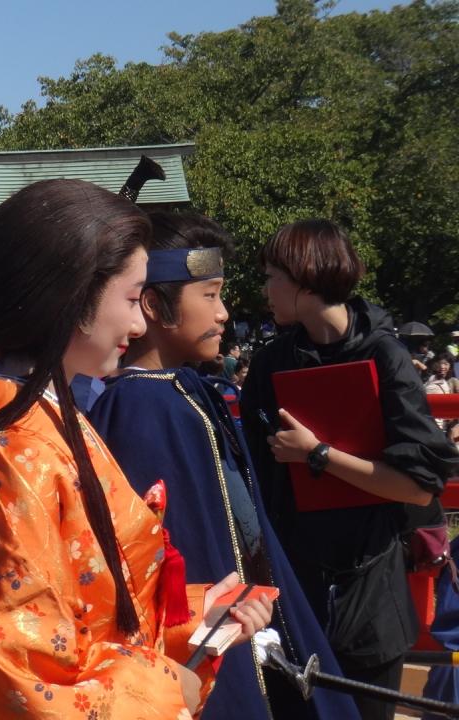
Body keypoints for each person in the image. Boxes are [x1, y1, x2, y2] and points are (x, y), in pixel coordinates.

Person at [0, 179, 273, 719]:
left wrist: (193, 618)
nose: (139, 322)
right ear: (70, 297)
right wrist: (164, 688)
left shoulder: (31, 421)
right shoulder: (12, 453)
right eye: (132, 298)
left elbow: (79, 608)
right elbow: (15, 677)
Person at [87, 211, 357, 719]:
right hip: (206, 636)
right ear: (154, 305)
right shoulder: (138, 407)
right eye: (210, 295)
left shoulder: (181, 391)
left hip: (249, 618)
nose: (224, 313)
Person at [239, 219, 459, 720]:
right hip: (295, 584)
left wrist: (318, 454)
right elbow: (254, 477)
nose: (265, 289)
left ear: (305, 278)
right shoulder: (272, 363)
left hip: (370, 584)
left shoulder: (385, 355)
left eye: (272, 277)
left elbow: (419, 486)